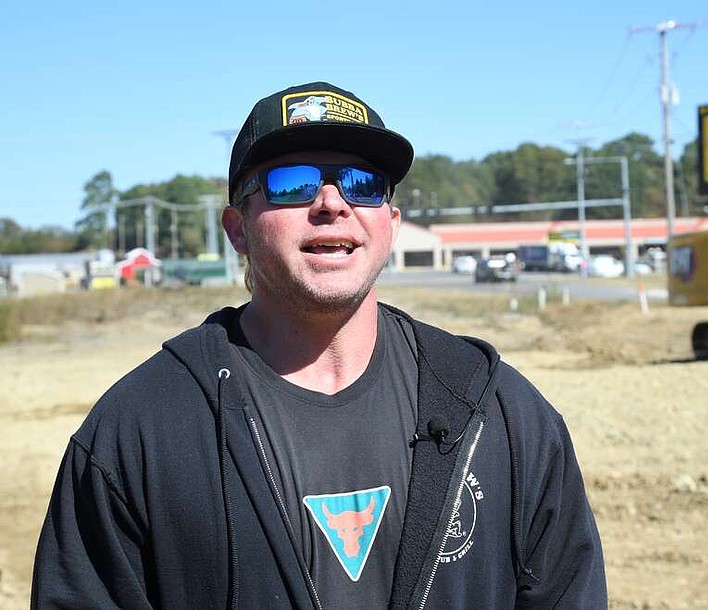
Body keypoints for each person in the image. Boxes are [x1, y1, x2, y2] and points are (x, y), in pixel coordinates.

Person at [32, 81, 606, 609]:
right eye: (293, 182)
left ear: (391, 223)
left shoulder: (497, 413)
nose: (333, 203)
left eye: (362, 184)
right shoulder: (140, 430)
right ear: (238, 229)